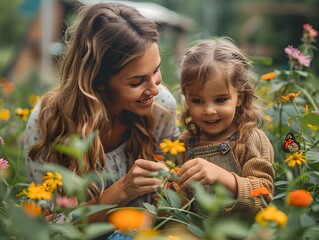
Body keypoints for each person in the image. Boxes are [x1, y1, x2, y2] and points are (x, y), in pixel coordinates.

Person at [24, 2, 179, 223]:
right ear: (99, 81)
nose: (154, 88)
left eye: (156, 70)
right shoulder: (49, 120)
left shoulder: (161, 106)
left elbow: (170, 202)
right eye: (136, 82)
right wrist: (122, 191)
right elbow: (47, 228)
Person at [176, 38, 275, 216]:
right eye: (197, 101)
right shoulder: (184, 143)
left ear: (240, 97)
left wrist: (222, 177)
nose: (209, 110)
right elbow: (180, 205)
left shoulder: (250, 140)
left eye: (220, 100)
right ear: (186, 97)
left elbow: (263, 197)